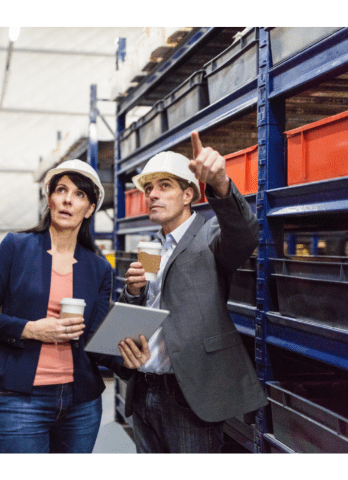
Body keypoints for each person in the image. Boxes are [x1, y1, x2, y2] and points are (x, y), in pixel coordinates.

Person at [116, 131, 268, 453]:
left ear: (188, 195)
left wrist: (220, 185)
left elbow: (244, 236)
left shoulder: (211, 235)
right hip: (144, 391)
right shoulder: (151, 248)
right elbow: (142, 315)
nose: (152, 195)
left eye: (164, 186)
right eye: (148, 189)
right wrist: (131, 293)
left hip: (188, 397)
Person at [0, 159, 125, 453]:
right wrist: (30, 329)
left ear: (90, 208)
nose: (68, 199)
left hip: (81, 404)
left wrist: (129, 358)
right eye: (61, 190)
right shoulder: (16, 247)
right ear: (50, 198)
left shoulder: (99, 268)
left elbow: (95, 338)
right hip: (19, 400)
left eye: (79, 194)